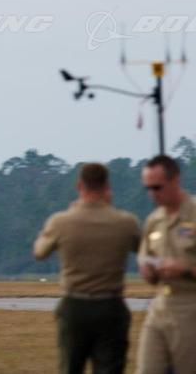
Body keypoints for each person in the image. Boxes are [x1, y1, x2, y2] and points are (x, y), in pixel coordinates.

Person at [33, 162, 140, 374]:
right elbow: (143, 249)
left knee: (70, 367)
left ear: (79, 186)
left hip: (75, 305)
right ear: (107, 186)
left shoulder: (61, 222)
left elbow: (39, 252)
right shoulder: (126, 222)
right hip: (111, 305)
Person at [136, 154, 196, 374]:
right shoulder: (154, 221)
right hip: (161, 306)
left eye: (157, 187)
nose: (153, 194)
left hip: (190, 306)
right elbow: (145, 257)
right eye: (148, 188)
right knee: (147, 368)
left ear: (175, 180)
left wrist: (185, 269)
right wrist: (148, 270)